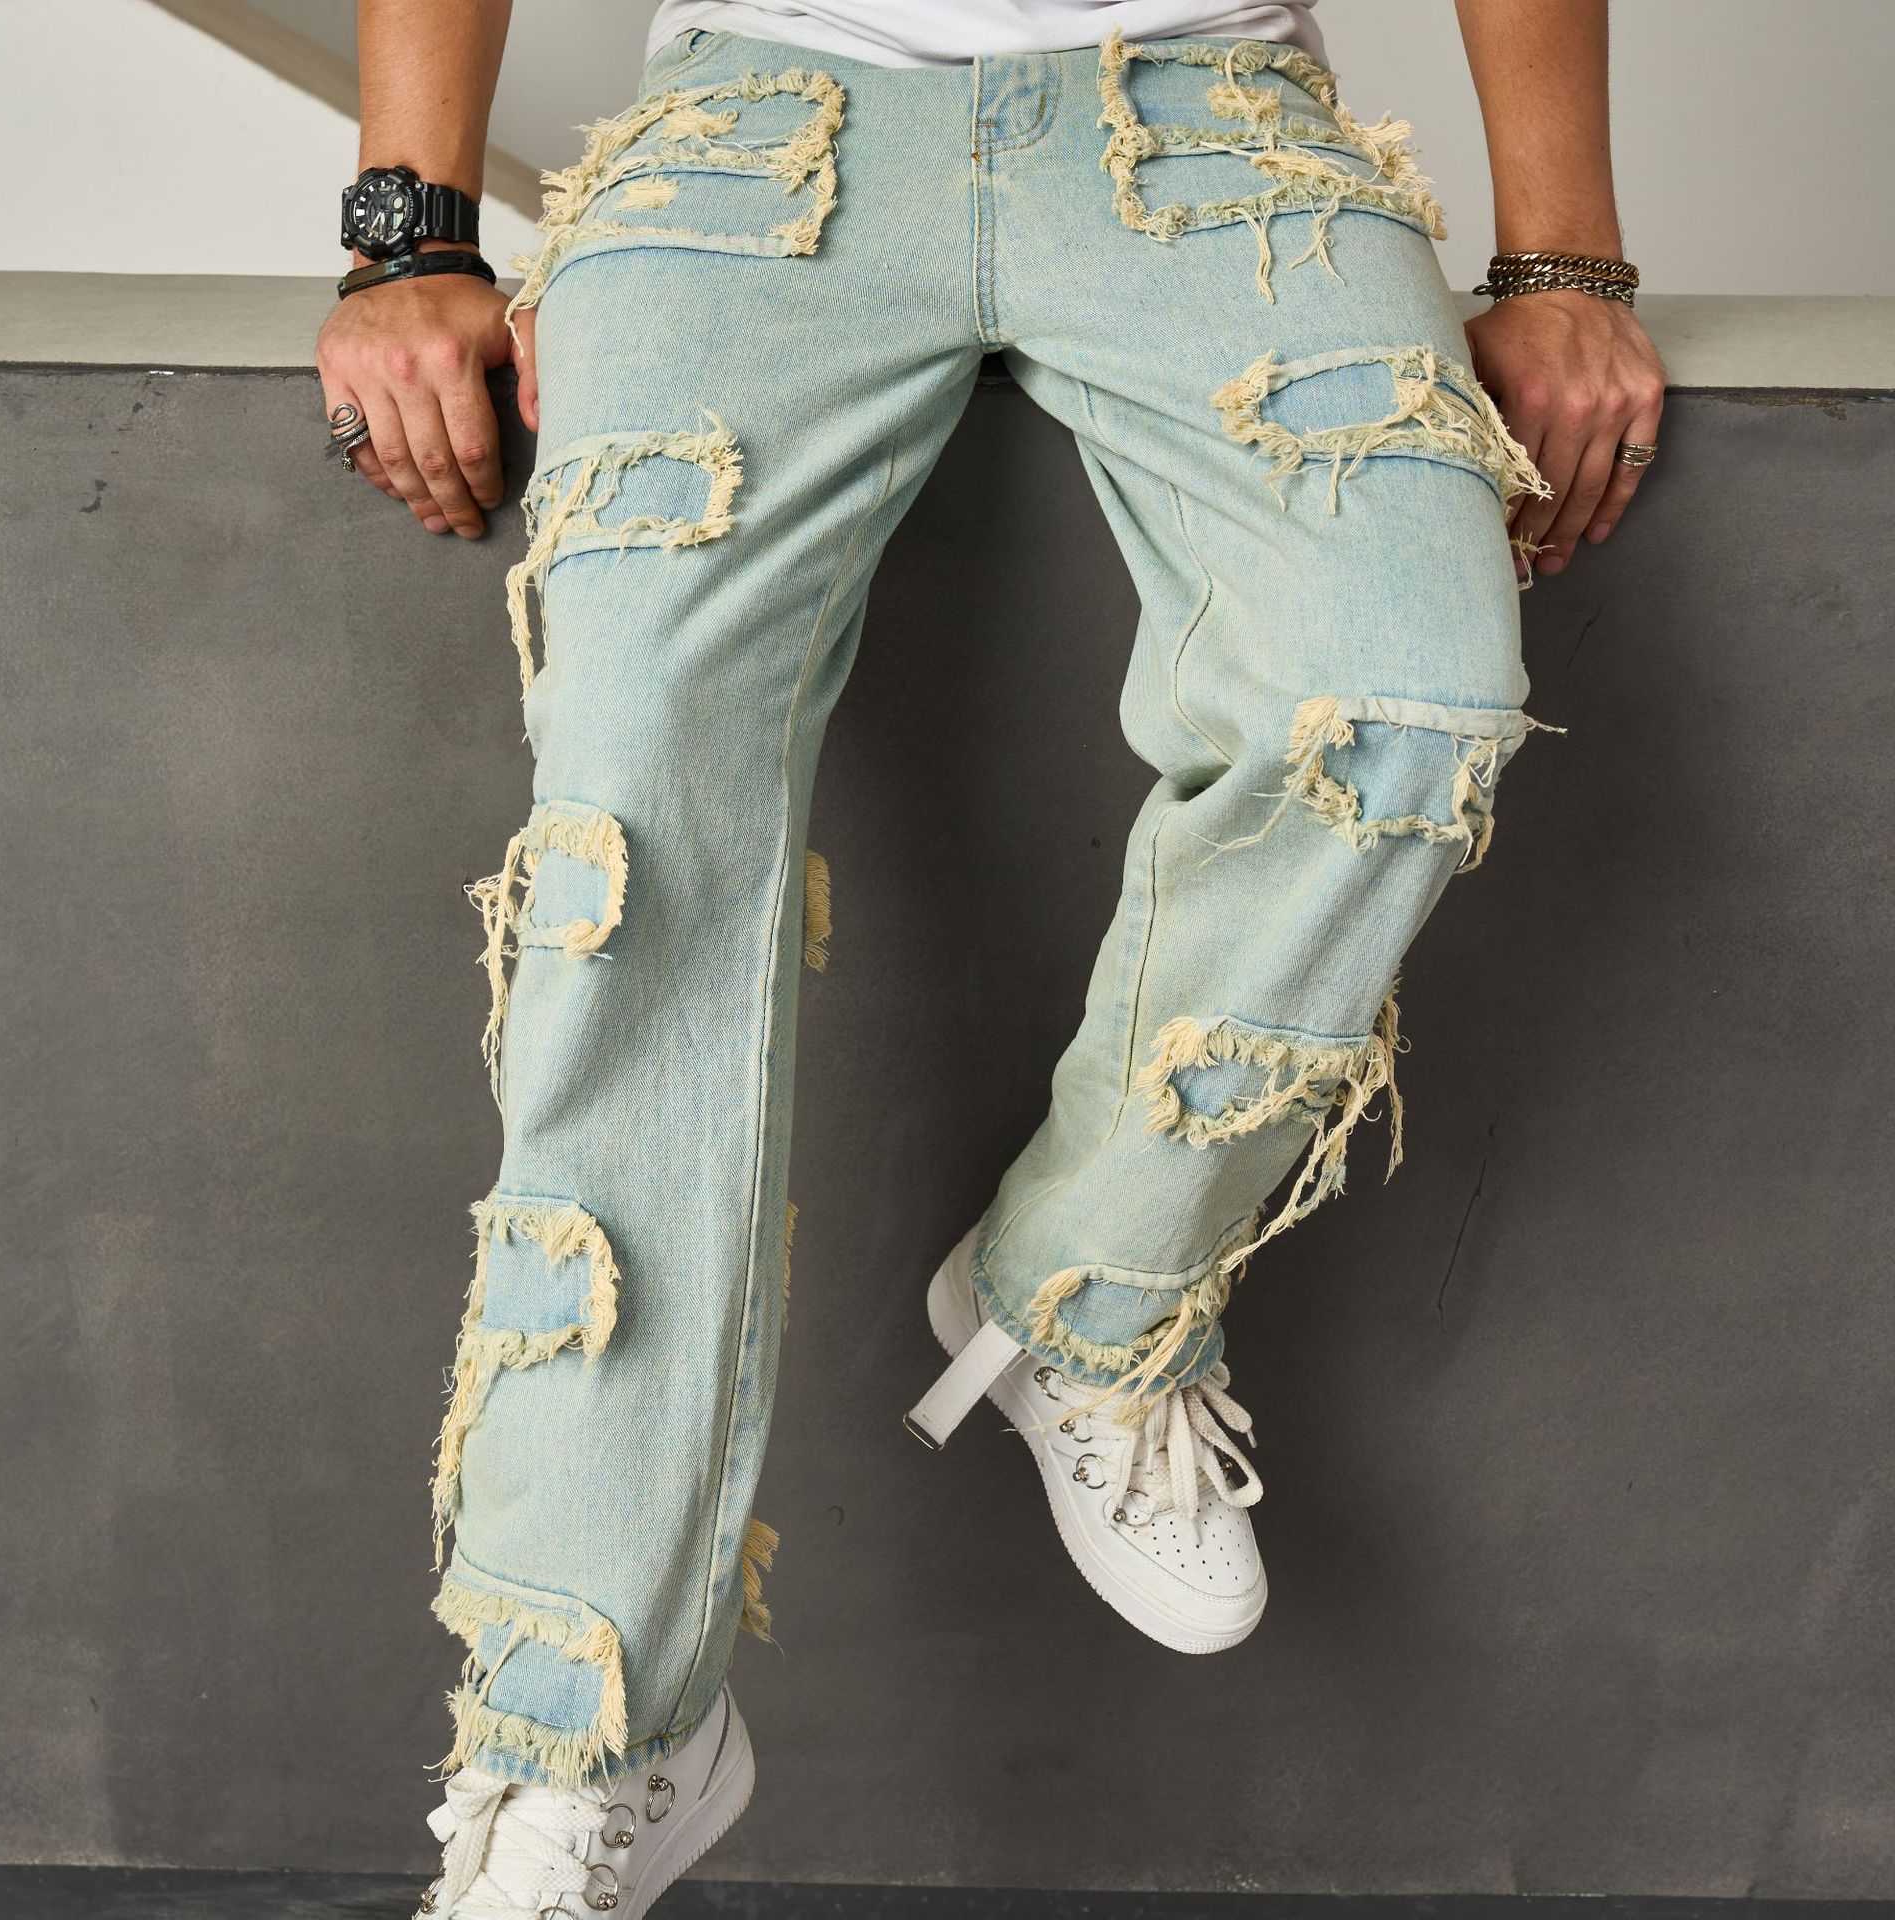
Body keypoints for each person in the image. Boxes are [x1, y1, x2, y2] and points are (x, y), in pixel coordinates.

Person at [314, 0, 1664, 1910]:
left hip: (1208, 107)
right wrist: (409, 236)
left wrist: (1563, 261)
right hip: (761, 114)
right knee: (633, 852)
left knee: (1405, 694)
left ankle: (1084, 1296)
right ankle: (583, 1735)